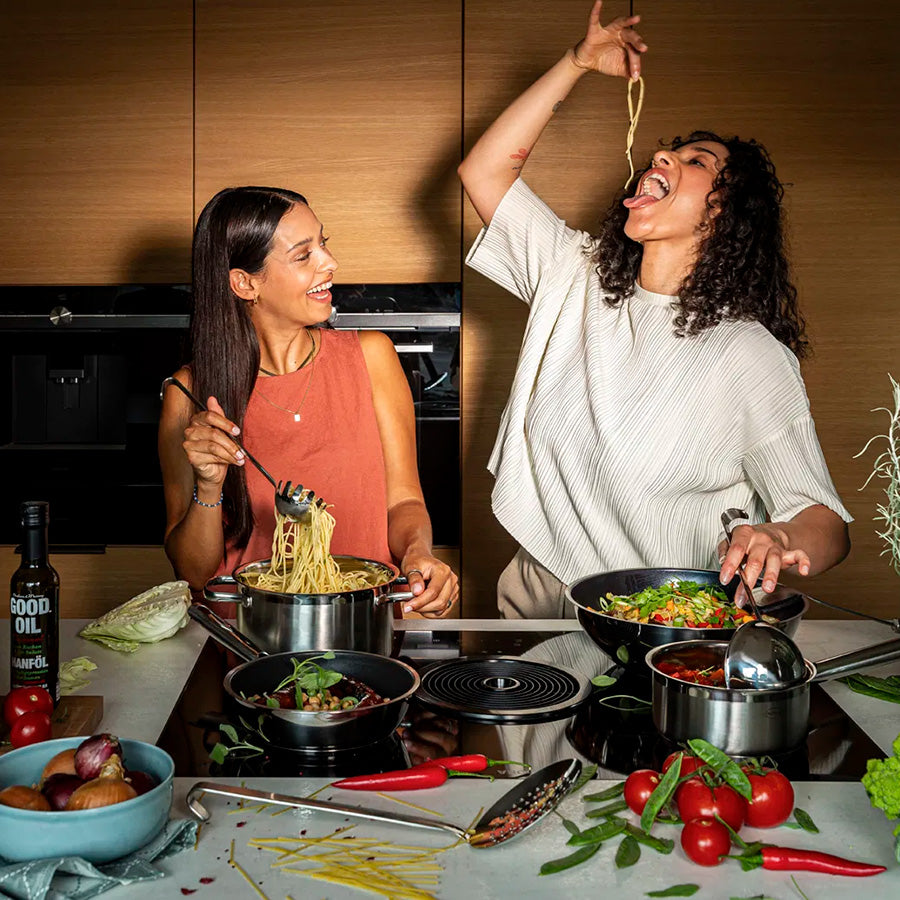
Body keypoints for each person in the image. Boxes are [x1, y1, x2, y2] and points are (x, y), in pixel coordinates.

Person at [458, 1, 851, 619]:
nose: (661, 159)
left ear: (726, 217)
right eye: (667, 152)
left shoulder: (746, 353)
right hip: (540, 592)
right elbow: (484, 169)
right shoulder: (575, 275)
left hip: (665, 618)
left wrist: (779, 537)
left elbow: (825, 522)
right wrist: (576, 62)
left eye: (697, 162)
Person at [158, 186, 458, 617]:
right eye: (304, 255)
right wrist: (209, 486)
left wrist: (416, 555)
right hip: (249, 639)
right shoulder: (189, 396)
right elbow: (192, 573)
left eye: (324, 243)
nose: (330, 263)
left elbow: (404, 502)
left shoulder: (372, 357)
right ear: (245, 283)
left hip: (363, 627)